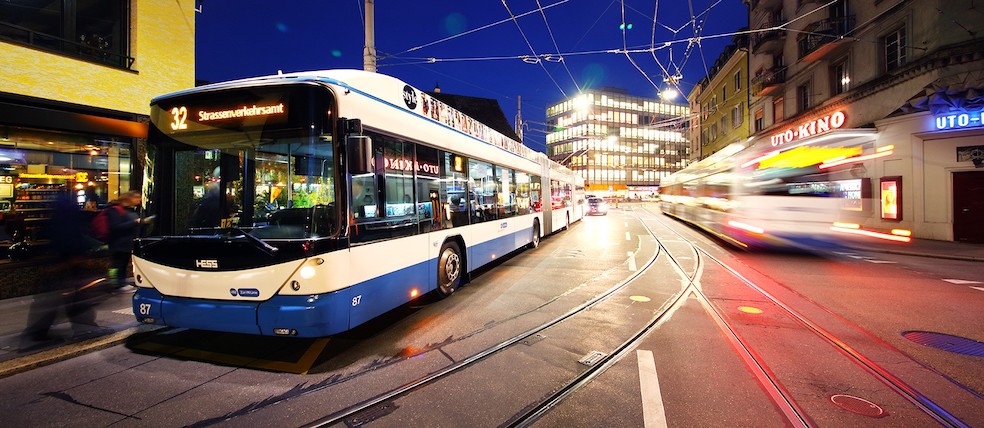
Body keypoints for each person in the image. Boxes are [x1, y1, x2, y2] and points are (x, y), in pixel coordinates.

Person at [105, 190, 143, 292]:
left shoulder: (130, 210)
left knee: (124, 262)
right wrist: (134, 222)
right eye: (137, 198)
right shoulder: (115, 210)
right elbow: (115, 226)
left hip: (127, 241)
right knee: (119, 263)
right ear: (130, 198)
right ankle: (117, 284)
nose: (139, 200)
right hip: (118, 242)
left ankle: (121, 282)